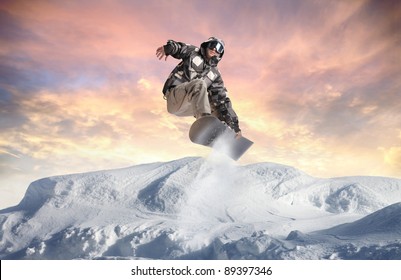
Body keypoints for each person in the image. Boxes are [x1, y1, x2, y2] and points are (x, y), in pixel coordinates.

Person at [156, 37, 242, 137]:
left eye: (219, 48)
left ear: (220, 53)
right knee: (199, 84)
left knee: (216, 105)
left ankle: (226, 134)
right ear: (207, 45)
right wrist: (168, 48)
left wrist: (235, 126)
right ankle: (205, 122)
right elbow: (179, 48)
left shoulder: (215, 74)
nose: (214, 49)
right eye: (213, 45)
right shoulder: (193, 52)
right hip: (175, 98)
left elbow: (222, 101)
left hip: (190, 106)